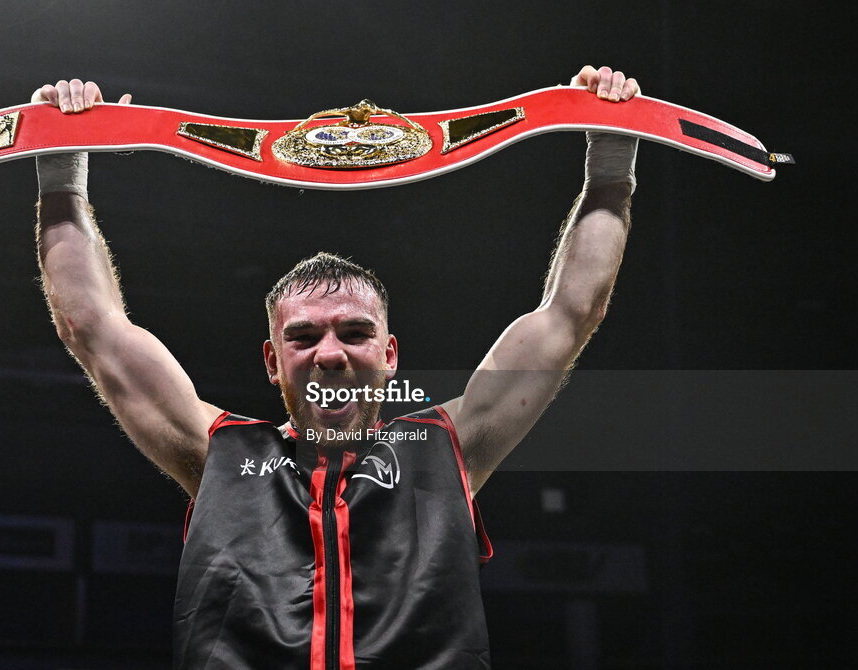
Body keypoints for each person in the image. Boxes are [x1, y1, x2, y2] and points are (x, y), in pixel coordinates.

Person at [33, 65, 640, 669]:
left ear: (389, 355)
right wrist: (64, 173)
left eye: (354, 333)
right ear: (272, 361)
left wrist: (610, 165)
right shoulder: (219, 453)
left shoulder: (446, 451)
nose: (329, 355)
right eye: (303, 337)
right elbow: (92, 326)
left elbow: (570, 313)